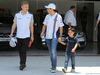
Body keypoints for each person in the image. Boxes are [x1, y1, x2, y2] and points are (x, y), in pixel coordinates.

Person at [9, 1, 34, 70]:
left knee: (23, 50)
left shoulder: (30, 16)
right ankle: (22, 63)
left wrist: (32, 35)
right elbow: (14, 25)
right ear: (22, 7)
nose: (27, 8)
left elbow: (31, 26)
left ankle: (23, 64)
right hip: (19, 36)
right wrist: (11, 33)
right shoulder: (17, 15)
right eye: (25, 7)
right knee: (20, 50)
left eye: (28, 7)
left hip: (26, 36)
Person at [40, 3, 64, 73]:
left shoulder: (58, 17)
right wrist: (42, 32)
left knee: (53, 51)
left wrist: (60, 36)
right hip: (47, 37)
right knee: (51, 52)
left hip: (54, 37)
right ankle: (52, 66)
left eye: (48, 8)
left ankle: (54, 67)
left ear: (51, 9)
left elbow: (61, 27)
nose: (46, 9)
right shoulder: (47, 16)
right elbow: (44, 25)